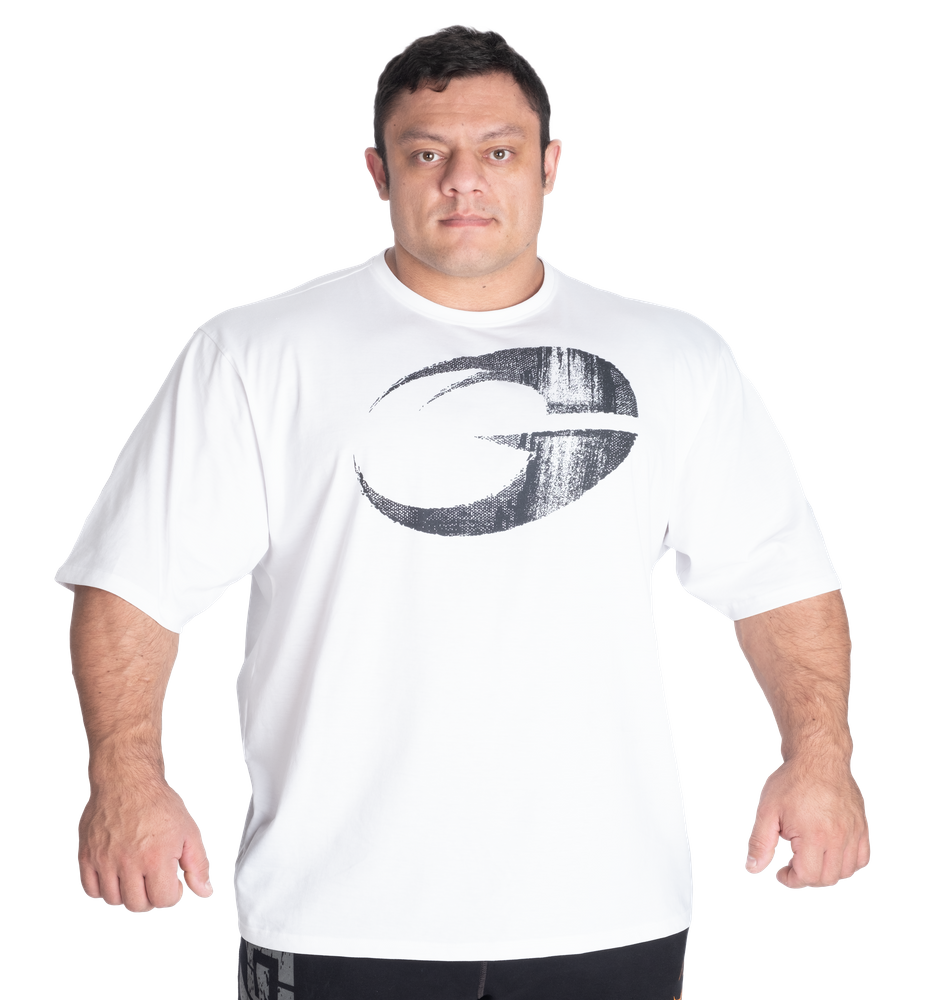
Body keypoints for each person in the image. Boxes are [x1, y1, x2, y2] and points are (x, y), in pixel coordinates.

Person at [58, 24, 870, 1000]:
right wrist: (127, 779)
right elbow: (132, 583)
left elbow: (777, 577)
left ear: (549, 167)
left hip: (604, 904)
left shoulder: (675, 360)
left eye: (498, 152)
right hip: (339, 908)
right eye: (426, 154)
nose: (462, 182)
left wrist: (820, 758)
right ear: (377, 172)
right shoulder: (259, 357)